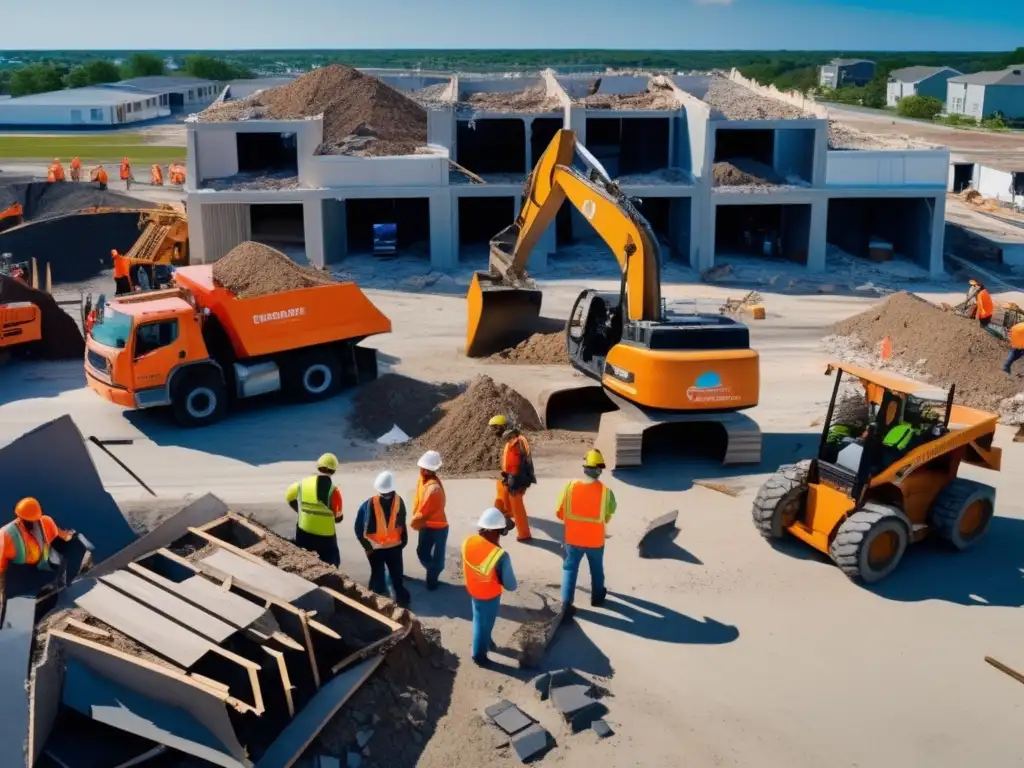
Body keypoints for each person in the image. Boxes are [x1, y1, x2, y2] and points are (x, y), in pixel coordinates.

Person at [557, 450, 616, 615]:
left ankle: (566, 603)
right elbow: (609, 513)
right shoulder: (606, 492)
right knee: (596, 568)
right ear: (598, 470)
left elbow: (560, 512)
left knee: (570, 568)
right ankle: (597, 598)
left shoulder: (569, 487)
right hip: (595, 540)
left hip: (573, 538)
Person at [462, 507, 517, 666]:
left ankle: (488, 641)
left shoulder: (468, 541)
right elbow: (511, 585)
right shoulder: (500, 555)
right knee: (484, 623)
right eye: (500, 532)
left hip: (474, 590)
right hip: (489, 595)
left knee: (480, 619)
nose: (501, 536)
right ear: (495, 531)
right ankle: (479, 655)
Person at [355, 471, 410, 606]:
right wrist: (402, 542)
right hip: (395, 547)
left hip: (375, 549)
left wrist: (367, 547)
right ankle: (402, 602)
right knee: (396, 577)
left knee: (377, 576)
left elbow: (358, 528)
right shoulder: (399, 501)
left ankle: (375, 602)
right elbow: (402, 524)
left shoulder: (368, 504)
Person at [285, 453, 344, 566]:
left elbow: (289, 496)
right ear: (334, 471)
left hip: (303, 532)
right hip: (326, 537)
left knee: (303, 558)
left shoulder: (302, 484)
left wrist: (301, 511)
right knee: (333, 563)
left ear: (318, 467)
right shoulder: (334, 492)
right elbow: (338, 518)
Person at [0, 497, 75, 577]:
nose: (33, 524)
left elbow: (62, 537)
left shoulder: (46, 522)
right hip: (23, 574)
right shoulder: (6, 535)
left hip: (46, 565)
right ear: (20, 518)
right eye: (28, 521)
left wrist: (71, 538)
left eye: (35, 520)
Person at [490, 414, 535, 542]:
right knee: (500, 493)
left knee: (517, 506)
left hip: (517, 480)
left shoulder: (516, 442)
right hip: (510, 477)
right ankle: (503, 515)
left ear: (504, 427)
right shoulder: (511, 439)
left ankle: (524, 534)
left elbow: (518, 465)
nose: (495, 432)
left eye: (496, 428)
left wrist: (514, 481)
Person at [411, 450, 448, 590]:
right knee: (422, 552)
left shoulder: (433, 489)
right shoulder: (422, 480)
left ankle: (432, 579)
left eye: (425, 469)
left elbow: (424, 511)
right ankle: (432, 574)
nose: (422, 470)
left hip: (437, 526)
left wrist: (414, 522)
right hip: (428, 525)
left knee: (434, 559)